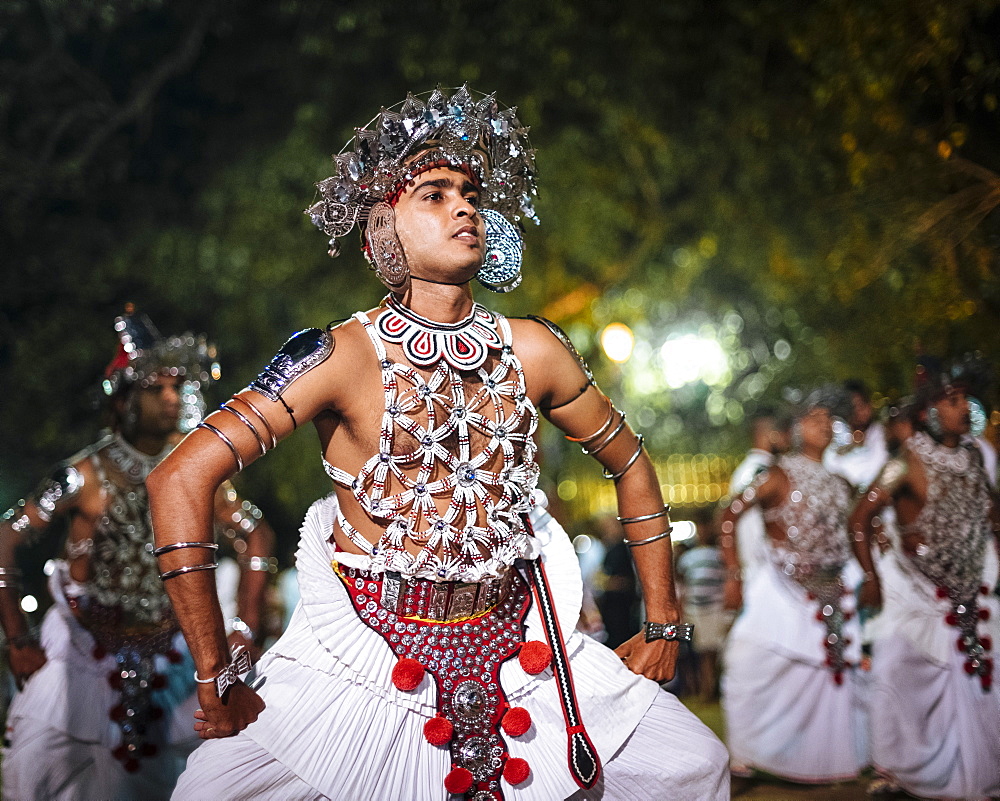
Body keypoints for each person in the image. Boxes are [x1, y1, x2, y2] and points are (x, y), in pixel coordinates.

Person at [149, 86, 729, 800]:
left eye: (470, 193)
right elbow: (179, 479)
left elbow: (631, 463)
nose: (464, 206)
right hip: (365, 656)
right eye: (434, 192)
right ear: (385, 227)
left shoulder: (536, 348)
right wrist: (214, 675)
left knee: (694, 764)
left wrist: (664, 620)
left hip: (524, 645)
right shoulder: (337, 355)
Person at [0, 308, 275, 801]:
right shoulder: (82, 474)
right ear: (124, 397)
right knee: (34, 775)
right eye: (155, 389)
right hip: (79, 653)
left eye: (176, 388)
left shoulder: (196, 471)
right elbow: (5, 538)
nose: (171, 399)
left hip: (171, 657)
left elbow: (256, 535)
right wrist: (17, 640)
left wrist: (246, 626)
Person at [849, 363, 1000, 799]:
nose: (964, 409)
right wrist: (871, 578)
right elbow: (860, 517)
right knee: (898, 671)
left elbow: (992, 514)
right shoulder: (905, 463)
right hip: (916, 593)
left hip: (975, 589)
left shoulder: (973, 457)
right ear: (931, 411)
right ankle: (899, 769)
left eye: (966, 400)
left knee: (981, 681)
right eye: (952, 401)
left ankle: (968, 773)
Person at [719, 388, 867, 783]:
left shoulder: (841, 482)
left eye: (827, 420)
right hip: (779, 588)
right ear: (797, 427)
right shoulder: (777, 474)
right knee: (747, 661)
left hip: (832, 590)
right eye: (813, 418)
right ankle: (745, 754)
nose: (822, 425)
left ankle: (817, 763)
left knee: (823, 679)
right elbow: (729, 514)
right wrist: (734, 574)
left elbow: (861, 526)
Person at [727, 407, 790, 583]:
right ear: (773, 434)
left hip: (762, 572)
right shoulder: (761, 472)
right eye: (785, 431)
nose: (789, 438)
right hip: (764, 574)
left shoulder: (750, 468)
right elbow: (728, 517)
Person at [675, 507, 729, 702]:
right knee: (702, 652)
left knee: (715, 651)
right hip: (696, 609)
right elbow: (682, 585)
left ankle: (711, 688)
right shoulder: (688, 557)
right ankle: (706, 689)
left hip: (716, 607)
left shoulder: (720, 553)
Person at [823, 378, 888, 492]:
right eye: (853, 407)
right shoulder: (834, 447)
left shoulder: (886, 434)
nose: (860, 411)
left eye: (862, 404)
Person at [592, 514, 641, 649]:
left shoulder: (620, 549)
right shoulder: (610, 548)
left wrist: (604, 583)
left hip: (621, 608)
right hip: (613, 608)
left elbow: (625, 581)